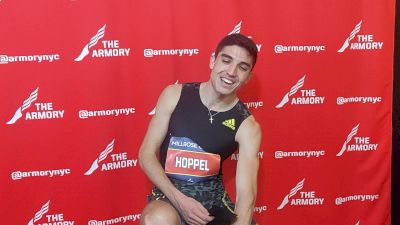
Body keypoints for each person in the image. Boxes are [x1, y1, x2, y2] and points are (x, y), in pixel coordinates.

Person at [139, 33, 262, 225]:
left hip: (212, 206)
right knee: (156, 219)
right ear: (213, 61)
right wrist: (180, 201)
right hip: (170, 198)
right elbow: (146, 154)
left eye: (242, 67)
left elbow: (247, 195)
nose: (231, 72)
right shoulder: (174, 95)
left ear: (248, 77)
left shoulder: (248, 126)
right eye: (226, 60)